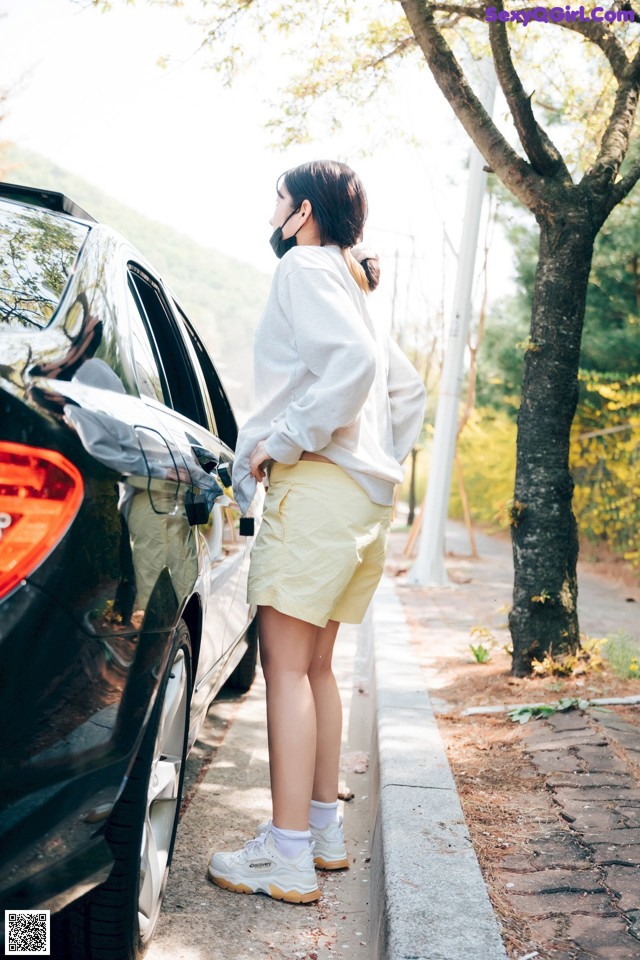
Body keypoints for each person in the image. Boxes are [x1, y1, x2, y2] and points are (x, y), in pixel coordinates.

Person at [208, 159, 425, 904]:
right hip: (363, 499)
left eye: (277, 196)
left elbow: (357, 367)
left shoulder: (304, 269)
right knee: (318, 668)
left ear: (302, 211)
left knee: (287, 669)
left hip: (323, 490)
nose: (270, 207)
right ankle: (322, 831)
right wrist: (371, 462)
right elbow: (407, 389)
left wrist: (289, 440)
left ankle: (288, 852)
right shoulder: (354, 280)